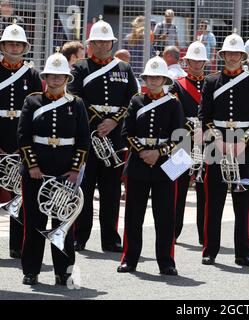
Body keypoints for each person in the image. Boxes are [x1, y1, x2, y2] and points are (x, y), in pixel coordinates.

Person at [17, 51, 89, 285]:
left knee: (63, 225)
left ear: (67, 79)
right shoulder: (32, 101)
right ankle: (31, 270)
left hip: (64, 173)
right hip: (36, 172)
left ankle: (64, 271)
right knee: (34, 224)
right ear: (45, 77)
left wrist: (75, 170)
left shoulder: (76, 104)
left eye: (61, 77)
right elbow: (23, 136)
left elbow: (83, 140)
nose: (56, 80)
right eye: (52, 76)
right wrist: (32, 166)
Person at [68, 18, 138, 252]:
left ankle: (110, 239)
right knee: (84, 188)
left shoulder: (124, 68)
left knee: (111, 191)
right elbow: (75, 97)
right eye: (97, 41)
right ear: (90, 43)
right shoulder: (80, 67)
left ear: (111, 43)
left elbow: (133, 100)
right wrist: (99, 121)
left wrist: (113, 121)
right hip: (88, 137)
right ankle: (80, 236)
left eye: (106, 41)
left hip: (114, 137)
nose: (101, 45)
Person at [199, 33, 249, 267]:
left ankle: (243, 253)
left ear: (242, 56)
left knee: (243, 203)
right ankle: (210, 250)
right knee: (213, 202)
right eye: (229, 53)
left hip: (243, 145)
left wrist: (242, 142)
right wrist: (218, 140)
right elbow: (204, 116)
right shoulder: (211, 81)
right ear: (223, 55)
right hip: (217, 143)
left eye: (237, 53)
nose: (233, 56)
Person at [117, 56, 183, 275]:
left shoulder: (173, 103)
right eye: (150, 77)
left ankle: (166, 261)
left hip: (165, 165)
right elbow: (127, 132)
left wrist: (158, 152)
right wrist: (143, 152)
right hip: (139, 162)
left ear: (164, 79)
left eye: (157, 77)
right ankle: (129, 259)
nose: (153, 81)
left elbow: (179, 136)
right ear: (144, 78)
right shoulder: (137, 101)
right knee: (133, 215)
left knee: (165, 217)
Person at [0, 21, 42, 259]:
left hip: (22, 140)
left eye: (19, 44)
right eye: (10, 43)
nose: (14, 47)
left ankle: (17, 245)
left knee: (20, 195)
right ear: (3, 45)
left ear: (24, 47)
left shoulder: (33, 75)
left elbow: (38, 111)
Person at [171, 42, 208, 244]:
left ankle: (204, 235)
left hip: (207, 144)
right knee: (178, 189)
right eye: (193, 60)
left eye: (200, 60)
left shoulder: (212, 83)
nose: (196, 63)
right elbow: (174, 113)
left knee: (205, 190)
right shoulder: (177, 84)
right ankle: (173, 232)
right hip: (182, 142)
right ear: (186, 61)